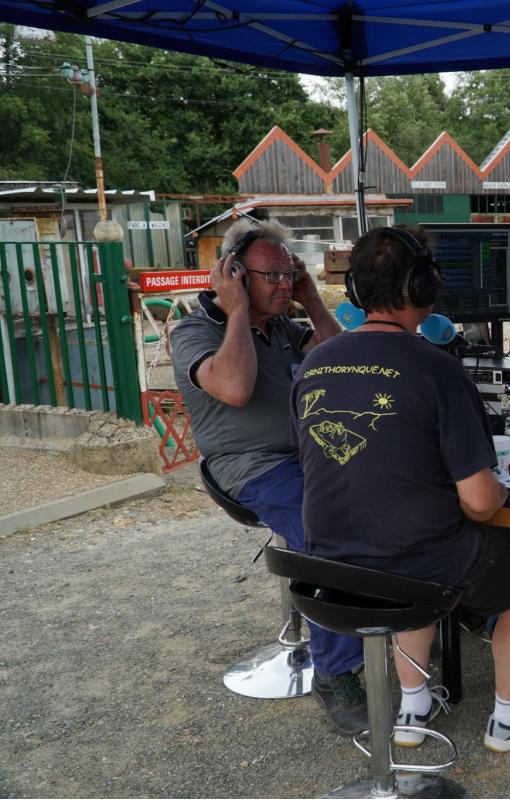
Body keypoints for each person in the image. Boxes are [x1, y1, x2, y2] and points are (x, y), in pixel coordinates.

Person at [291, 226, 510, 753]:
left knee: (403, 574)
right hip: (414, 561)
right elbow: (480, 503)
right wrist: (498, 491)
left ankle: (413, 707)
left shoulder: (315, 362)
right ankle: (508, 717)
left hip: (330, 562)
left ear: (357, 294)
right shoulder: (437, 368)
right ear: (423, 288)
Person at [171, 219, 367, 735]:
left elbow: (342, 358)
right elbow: (234, 388)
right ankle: (336, 672)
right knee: (326, 531)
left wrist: (310, 298)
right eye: (272, 276)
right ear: (234, 274)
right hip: (250, 467)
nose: (284, 284)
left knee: (396, 490)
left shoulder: (283, 328)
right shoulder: (195, 331)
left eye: (290, 274)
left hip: (309, 456)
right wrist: (236, 310)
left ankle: (403, 617)